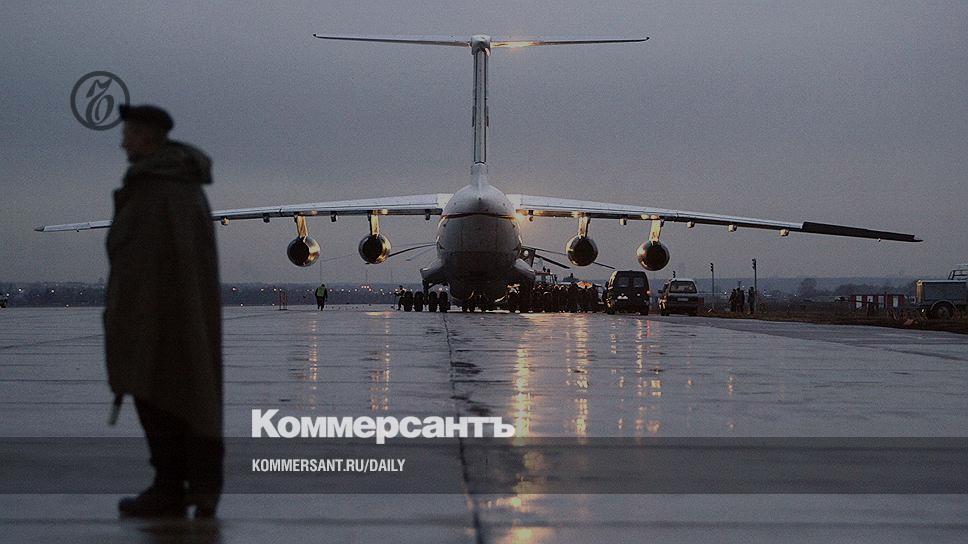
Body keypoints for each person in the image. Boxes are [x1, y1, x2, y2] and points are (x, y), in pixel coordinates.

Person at [105, 105, 223, 518]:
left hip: (159, 316)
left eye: (128, 134)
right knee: (176, 396)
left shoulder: (162, 190)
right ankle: (187, 486)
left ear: (148, 136)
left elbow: (153, 260)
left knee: (163, 397)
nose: (122, 142)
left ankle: (170, 488)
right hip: (161, 312)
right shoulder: (170, 186)